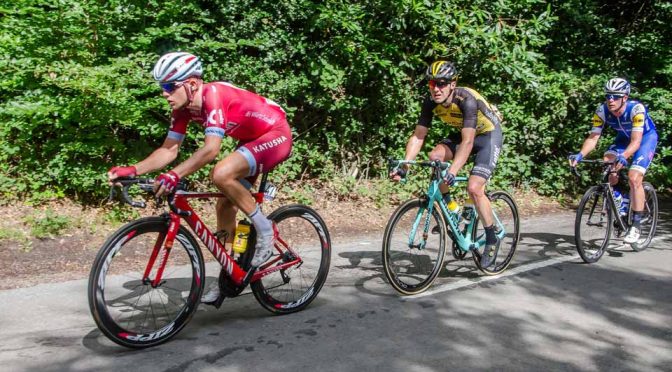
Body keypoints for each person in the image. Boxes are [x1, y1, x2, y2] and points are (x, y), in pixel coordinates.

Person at [107, 52, 293, 304]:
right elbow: (168, 150)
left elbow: (211, 150)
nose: (164, 93)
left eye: (169, 86)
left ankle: (265, 230)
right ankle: (229, 275)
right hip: (251, 140)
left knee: (221, 173)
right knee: (224, 203)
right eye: (162, 87)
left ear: (192, 84)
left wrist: (175, 175)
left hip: (275, 133)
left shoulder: (213, 95)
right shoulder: (182, 109)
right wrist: (133, 169)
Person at [391, 60, 504, 268]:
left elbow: (468, 142)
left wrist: (453, 171)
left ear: (453, 84)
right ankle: (453, 209)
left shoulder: (466, 99)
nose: (436, 88)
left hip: (487, 136)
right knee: (435, 158)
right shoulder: (430, 101)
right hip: (463, 134)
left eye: (442, 83)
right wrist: (405, 165)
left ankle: (490, 237)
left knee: (474, 187)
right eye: (432, 83)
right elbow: (418, 136)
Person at [569, 77, 658, 244]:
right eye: (608, 96)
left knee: (634, 177)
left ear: (625, 97)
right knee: (608, 164)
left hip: (645, 139)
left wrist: (624, 156)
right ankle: (620, 200)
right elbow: (594, 137)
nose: (610, 100)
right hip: (624, 139)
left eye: (615, 96)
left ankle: (636, 225)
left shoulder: (636, 109)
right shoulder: (602, 110)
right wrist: (580, 155)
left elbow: (636, 141)